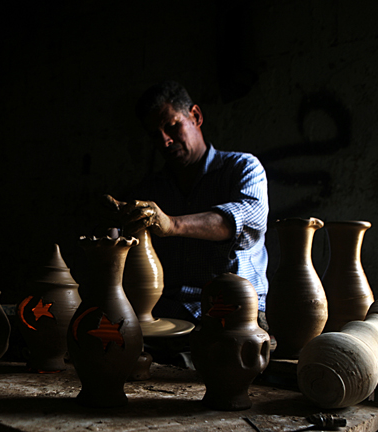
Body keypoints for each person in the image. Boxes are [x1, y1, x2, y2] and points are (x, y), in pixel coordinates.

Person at [107, 80, 270, 330]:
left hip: (233, 312)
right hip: (167, 314)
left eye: (172, 126)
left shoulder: (243, 168)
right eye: (155, 135)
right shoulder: (149, 191)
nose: (165, 141)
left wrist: (171, 224)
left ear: (195, 116)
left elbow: (250, 221)